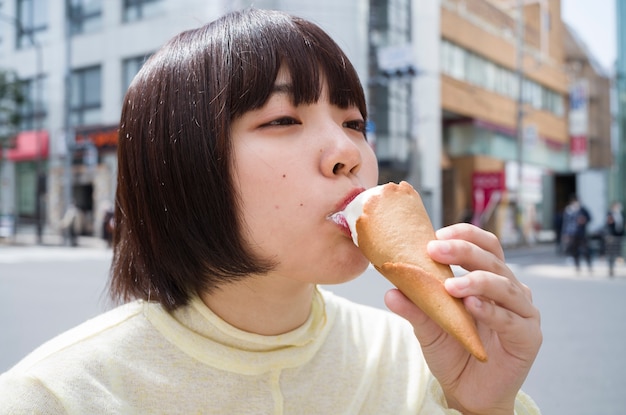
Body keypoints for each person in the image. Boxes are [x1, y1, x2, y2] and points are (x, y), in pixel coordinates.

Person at [0, 9, 542, 414]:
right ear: (183, 164)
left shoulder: (417, 359)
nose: (348, 153)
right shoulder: (57, 396)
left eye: (354, 123)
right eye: (283, 120)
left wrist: (484, 406)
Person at [561, 194, 592, 273]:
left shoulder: (583, 210)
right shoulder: (568, 210)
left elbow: (589, 218)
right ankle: (577, 266)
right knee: (574, 251)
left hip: (581, 233)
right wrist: (565, 233)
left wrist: (584, 220)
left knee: (585, 250)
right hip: (571, 234)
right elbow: (565, 223)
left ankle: (589, 266)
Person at [605, 201, 624, 277]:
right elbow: (607, 224)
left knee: (619, 252)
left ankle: (619, 266)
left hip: (619, 235)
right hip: (612, 235)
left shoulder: (621, 214)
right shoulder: (609, 214)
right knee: (611, 252)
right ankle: (611, 269)